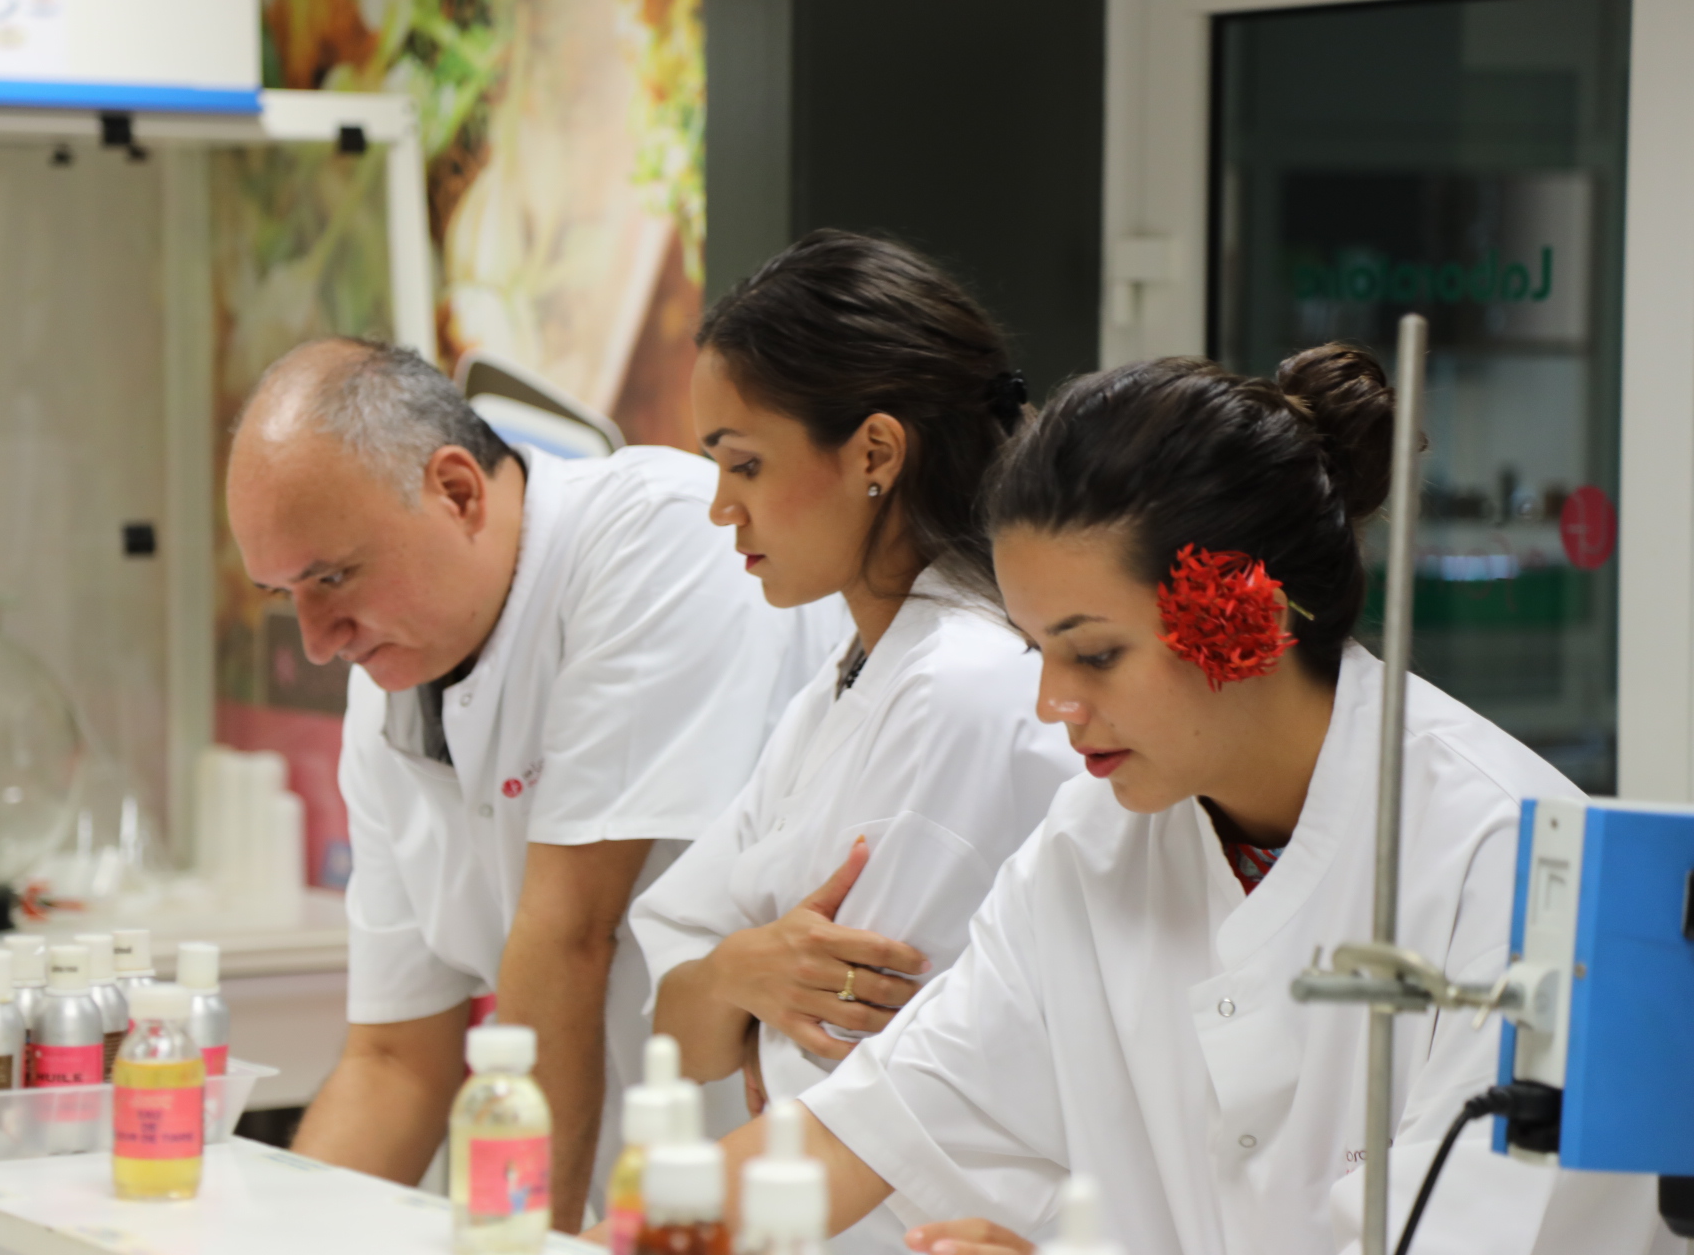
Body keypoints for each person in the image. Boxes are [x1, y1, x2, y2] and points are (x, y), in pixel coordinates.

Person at [718, 347, 1671, 1254]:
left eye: (1094, 654)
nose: (1053, 704)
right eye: (1036, 651)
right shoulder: (1094, 847)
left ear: (1246, 619)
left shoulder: (1511, 866)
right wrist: (629, 1232)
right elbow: (870, 1126)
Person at [225, 339, 840, 1227]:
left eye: (333, 576)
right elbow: (398, 1060)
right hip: (614, 1202)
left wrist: (526, 1245)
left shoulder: (654, 533)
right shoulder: (391, 685)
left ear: (458, 491)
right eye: (286, 594)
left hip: (787, 1188)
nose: (320, 641)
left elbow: (570, 935)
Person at [630, 231, 1083, 1254]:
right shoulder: (851, 679)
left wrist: (735, 986)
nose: (720, 507)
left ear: (875, 451)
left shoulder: (963, 688)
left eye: (745, 462)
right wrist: (740, 973)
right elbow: (679, 1020)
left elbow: (831, 1058)